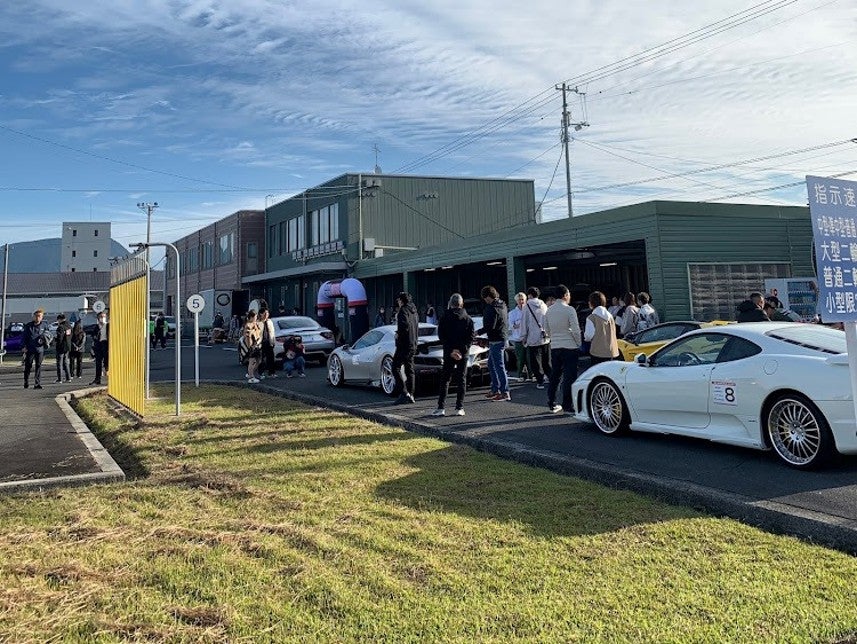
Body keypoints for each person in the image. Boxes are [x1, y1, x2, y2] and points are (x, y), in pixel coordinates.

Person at [432, 293, 475, 417]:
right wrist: (461, 350)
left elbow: (441, 336)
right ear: (462, 304)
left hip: (449, 352)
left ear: (451, 304)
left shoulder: (445, 317)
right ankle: (459, 407)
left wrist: (452, 350)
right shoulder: (468, 318)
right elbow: (470, 337)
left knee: (445, 379)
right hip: (463, 353)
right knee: (461, 379)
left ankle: (441, 407)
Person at [544, 284, 582, 413]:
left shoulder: (549, 310)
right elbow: (576, 330)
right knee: (569, 376)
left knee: (555, 375)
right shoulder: (570, 310)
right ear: (565, 295)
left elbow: (546, 330)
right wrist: (578, 343)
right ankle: (567, 404)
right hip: (569, 346)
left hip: (555, 346)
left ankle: (552, 402)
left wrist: (553, 337)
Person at [478, 285, 510, 401]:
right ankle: (496, 389)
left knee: (498, 366)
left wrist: (478, 333)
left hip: (495, 340)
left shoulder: (491, 308)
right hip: (501, 337)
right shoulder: (502, 305)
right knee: (492, 365)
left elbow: (489, 326)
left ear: (487, 297)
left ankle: (504, 391)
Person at [520, 286, 551, 390]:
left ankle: (540, 380)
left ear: (529, 295)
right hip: (545, 336)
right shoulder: (543, 305)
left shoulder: (527, 306)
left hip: (533, 337)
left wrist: (523, 336)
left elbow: (524, 322)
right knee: (547, 359)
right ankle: (550, 377)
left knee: (536, 360)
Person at [393, 292, 419, 404]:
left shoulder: (402, 311)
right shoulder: (414, 312)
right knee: (410, 369)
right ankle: (411, 393)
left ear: (401, 300)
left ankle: (404, 393)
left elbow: (404, 327)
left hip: (404, 344)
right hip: (413, 343)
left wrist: (398, 335)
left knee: (395, 367)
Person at [584, 291, 619, 366]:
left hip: (597, 352)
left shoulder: (591, 318)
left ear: (591, 303)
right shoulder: (610, 316)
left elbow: (588, 336)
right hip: (612, 351)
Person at [22, 308, 48, 389]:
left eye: (39, 316)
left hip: (40, 350)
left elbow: (48, 336)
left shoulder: (44, 326)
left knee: (38, 366)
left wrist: (46, 342)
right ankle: (26, 381)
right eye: (36, 316)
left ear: (42, 317)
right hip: (30, 349)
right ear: (34, 316)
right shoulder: (29, 326)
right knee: (28, 366)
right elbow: (24, 337)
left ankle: (37, 383)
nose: (37, 318)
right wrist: (23, 346)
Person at [508, 292, 531, 381]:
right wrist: (520, 324)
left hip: (529, 338)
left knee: (529, 358)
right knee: (520, 359)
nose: (521, 302)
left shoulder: (529, 311)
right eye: (519, 300)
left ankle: (531, 374)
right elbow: (511, 325)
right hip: (518, 338)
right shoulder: (512, 313)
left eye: (522, 300)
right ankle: (520, 375)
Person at [89, 311, 109, 385]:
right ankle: (97, 379)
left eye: (104, 317)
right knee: (98, 363)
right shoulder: (96, 327)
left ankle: (109, 378)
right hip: (98, 345)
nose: (102, 318)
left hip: (106, 345)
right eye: (101, 317)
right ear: (98, 318)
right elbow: (94, 336)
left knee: (107, 363)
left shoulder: (108, 325)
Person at [243, 309, 263, 383]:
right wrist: (250, 346)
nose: (256, 318)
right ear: (251, 317)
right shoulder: (248, 325)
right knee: (252, 361)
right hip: (252, 345)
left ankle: (250, 373)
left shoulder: (255, 324)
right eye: (255, 316)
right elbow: (247, 337)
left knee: (258, 360)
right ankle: (251, 377)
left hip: (257, 344)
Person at [258, 308, 277, 379]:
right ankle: (261, 373)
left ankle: (271, 372)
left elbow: (272, 332)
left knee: (271, 358)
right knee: (261, 359)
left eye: (267, 313)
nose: (266, 315)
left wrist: (273, 341)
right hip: (261, 342)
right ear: (260, 314)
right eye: (264, 313)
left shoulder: (270, 322)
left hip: (269, 341)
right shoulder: (258, 322)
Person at [53, 313, 72, 383]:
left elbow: (59, 337)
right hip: (67, 346)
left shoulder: (60, 327)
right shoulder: (69, 326)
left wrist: (55, 340)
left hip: (61, 347)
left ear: (60, 320)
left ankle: (59, 378)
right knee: (66, 362)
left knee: (59, 363)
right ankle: (68, 377)